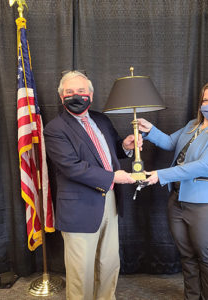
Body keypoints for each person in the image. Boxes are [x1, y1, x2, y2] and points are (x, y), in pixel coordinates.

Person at [44, 70, 140, 300]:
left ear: (91, 95)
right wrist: (113, 178)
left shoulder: (101, 119)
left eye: (81, 91)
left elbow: (109, 151)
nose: (75, 95)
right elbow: (72, 167)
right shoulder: (55, 129)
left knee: (109, 264)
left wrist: (126, 146)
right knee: (81, 272)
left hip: (110, 202)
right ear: (61, 97)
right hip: (79, 207)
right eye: (69, 92)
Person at [138, 80, 208, 300]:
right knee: (187, 257)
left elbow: (206, 165)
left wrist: (161, 175)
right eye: (205, 99)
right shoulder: (193, 124)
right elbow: (170, 142)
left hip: (205, 206)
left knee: (207, 258)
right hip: (177, 202)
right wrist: (150, 130)